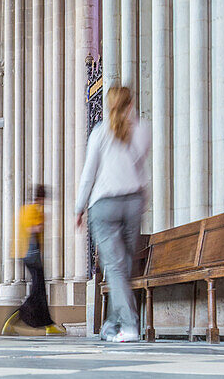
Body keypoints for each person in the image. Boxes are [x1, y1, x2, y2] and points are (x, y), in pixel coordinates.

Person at [75, 84, 150, 344]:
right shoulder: (143, 130)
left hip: (104, 204)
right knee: (125, 265)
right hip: (133, 202)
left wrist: (79, 207)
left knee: (116, 269)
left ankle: (129, 325)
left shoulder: (100, 132)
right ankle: (112, 323)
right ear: (131, 104)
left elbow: (89, 174)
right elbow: (141, 170)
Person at [2, 186, 65, 336]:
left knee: (39, 289)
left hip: (24, 253)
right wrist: (43, 223)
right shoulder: (35, 210)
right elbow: (34, 228)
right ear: (41, 198)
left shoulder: (24, 210)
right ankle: (16, 318)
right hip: (32, 255)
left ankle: (48, 324)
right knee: (38, 290)